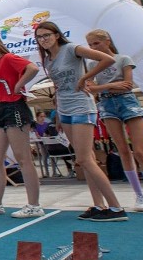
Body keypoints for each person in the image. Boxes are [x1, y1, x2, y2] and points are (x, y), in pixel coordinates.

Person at [35, 20, 127, 222]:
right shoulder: (48, 59)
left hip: (81, 106)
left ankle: (116, 207)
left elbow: (106, 60)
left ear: (56, 35)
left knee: (85, 158)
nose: (43, 40)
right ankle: (98, 205)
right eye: (39, 37)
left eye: (46, 35)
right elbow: (58, 88)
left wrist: (85, 77)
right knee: (85, 159)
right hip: (65, 109)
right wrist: (58, 114)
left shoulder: (71, 49)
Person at [0, 32, 43, 218]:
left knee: (23, 157)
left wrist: (19, 85)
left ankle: (34, 205)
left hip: (15, 108)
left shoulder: (9, 58)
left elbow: (33, 68)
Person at [85, 28, 143, 212]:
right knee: (123, 151)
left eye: (96, 43)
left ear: (107, 41)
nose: (93, 47)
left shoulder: (123, 59)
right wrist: (112, 85)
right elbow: (91, 88)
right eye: (91, 45)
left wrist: (102, 87)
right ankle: (139, 195)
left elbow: (128, 85)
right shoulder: (92, 65)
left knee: (139, 151)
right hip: (107, 105)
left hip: (127, 102)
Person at [33, 110, 74, 177]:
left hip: (52, 150)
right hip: (64, 150)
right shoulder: (64, 125)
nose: (43, 118)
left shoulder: (48, 125)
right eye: (41, 116)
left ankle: (50, 173)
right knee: (70, 151)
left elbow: (44, 135)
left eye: (44, 116)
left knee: (46, 156)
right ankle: (70, 170)